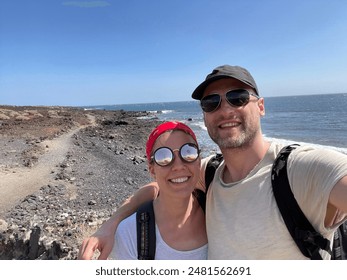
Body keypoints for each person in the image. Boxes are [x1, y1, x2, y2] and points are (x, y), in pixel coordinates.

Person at [79, 65, 347, 260]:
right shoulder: (209, 172)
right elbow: (157, 188)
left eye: (238, 97)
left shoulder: (302, 169)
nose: (226, 109)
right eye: (211, 103)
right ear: (205, 117)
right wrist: (110, 225)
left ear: (261, 106)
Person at [109, 121, 207, 259]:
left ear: (199, 161)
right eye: (164, 157)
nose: (178, 166)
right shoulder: (130, 234)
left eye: (188, 152)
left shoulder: (216, 210)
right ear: (152, 170)